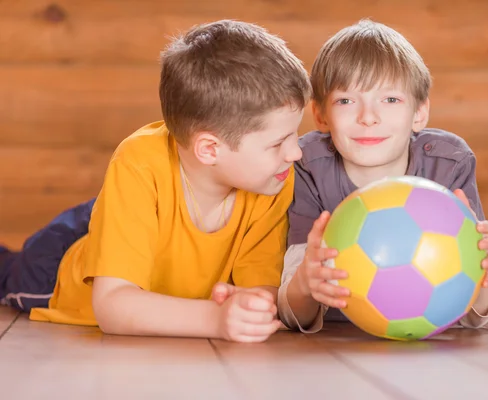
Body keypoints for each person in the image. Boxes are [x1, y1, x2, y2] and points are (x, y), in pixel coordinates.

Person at [0, 19, 312, 343]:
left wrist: (253, 308)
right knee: (7, 270)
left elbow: (258, 289)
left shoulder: (272, 177)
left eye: (295, 135)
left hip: (147, 221)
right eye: (278, 142)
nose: (296, 153)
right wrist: (216, 319)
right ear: (209, 149)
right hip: (60, 268)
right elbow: (112, 306)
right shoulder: (138, 162)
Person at [276, 19, 488, 333]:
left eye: (391, 99)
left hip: (442, 308)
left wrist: (486, 274)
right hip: (345, 325)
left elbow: (472, 314)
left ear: (419, 113)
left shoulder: (448, 163)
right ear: (321, 116)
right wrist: (304, 284)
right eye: (346, 101)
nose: (368, 117)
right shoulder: (308, 166)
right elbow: (292, 311)